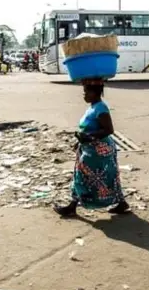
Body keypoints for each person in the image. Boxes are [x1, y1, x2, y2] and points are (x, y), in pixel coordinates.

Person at [54, 79, 130, 216]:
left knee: (89, 177)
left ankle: (73, 206)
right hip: (89, 148)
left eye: (86, 92)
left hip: (99, 150)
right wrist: (81, 140)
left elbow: (109, 130)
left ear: (95, 93)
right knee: (101, 176)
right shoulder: (93, 107)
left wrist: (89, 136)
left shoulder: (101, 108)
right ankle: (121, 203)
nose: (84, 95)